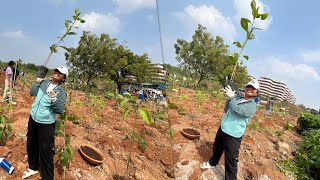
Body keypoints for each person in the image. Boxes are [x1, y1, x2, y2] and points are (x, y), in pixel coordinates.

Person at [201, 79, 260, 180]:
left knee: (231, 159)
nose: (250, 89)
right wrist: (229, 98)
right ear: (245, 89)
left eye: (253, 88)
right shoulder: (238, 99)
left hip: (233, 134)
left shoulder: (252, 105)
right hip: (223, 128)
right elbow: (226, 109)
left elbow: (237, 111)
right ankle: (212, 163)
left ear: (256, 92)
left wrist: (232, 97)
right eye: (248, 86)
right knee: (217, 147)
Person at [22, 66, 68, 180]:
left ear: (63, 78)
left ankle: (47, 177)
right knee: (31, 144)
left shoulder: (61, 92)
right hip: (33, 118)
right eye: (56, 70)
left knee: (46, 151)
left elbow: (59, 110)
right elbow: (32, 93)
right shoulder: (44, 83)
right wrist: (38, 80)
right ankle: (33, 167)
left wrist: (53, 97)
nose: (57, 73)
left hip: (46, 124)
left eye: (60, 73)